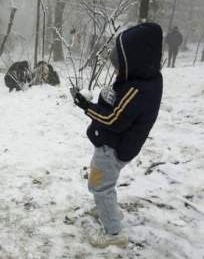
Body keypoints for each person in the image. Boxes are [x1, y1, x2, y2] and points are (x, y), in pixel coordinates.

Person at [70, 23, 163, 248]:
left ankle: (113, 233)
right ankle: (107, 209)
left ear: (135, 61)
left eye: (119, 66)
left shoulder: (137, 90)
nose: (116, 71)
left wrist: (86, 106)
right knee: (102, 184)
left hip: (112, 148)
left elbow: (114, 120)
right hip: (114, 144)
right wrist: (106, 96)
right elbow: (122, 107)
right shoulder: (144, 80)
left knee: (100, 186)